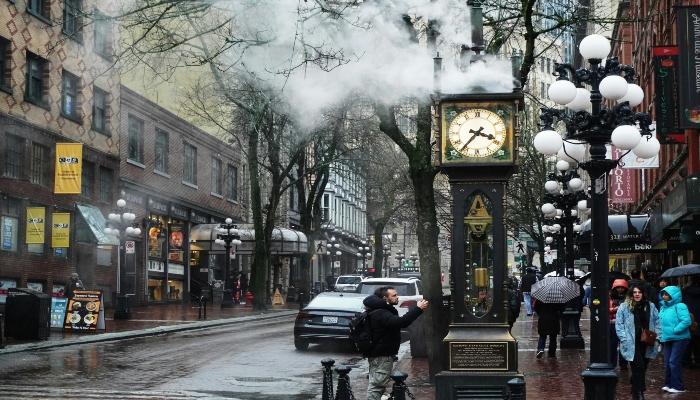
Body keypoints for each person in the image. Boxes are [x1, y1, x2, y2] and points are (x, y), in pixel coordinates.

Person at [363, 286, 428, 400]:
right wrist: (418, 309)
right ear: (385, 298)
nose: (397, 297)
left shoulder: (379, 310)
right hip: (382, 356)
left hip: (379, 355)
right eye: (394, 295)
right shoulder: (381, 313)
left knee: (379, 384)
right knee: (377, 386)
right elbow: (401, 322)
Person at [615, 283, 660, 400]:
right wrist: (624, 339)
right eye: (634, 292)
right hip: (631, 343)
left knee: (643, 367)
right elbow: (619, 324)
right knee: (638, 366)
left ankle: (635, 383)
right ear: (631, 294)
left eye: (639, 292)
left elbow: (657, 321)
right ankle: (638, 393)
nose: (637, 294)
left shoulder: (650, 306)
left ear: (643, 294)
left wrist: (658, 336)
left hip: (646, 342)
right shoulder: (624, 307)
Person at [659, 285, 692, 393]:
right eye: (663, 294)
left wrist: (676, 330)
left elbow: (686, 321)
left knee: (673, 361)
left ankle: (678, 386)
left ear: (674, 295)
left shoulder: (680, 305)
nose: (664, 296)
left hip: (680, 338)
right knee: (667, 362)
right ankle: (669, 384)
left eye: (667, 294)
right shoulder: (663, 307)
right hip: (667, 338)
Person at [609, 279, 629, 369]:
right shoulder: (610, 297)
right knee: (612, 344)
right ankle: (612, 363)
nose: (620, 289)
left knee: (624, 344)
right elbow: (607, 309)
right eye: (618, 287)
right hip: (613, 323)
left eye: (622, 288)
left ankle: (623, 363)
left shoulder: (628, 297)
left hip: (625, 324)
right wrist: (616, 308)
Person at [683, 276, 700, 367]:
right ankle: (698, 360)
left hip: (689, 316)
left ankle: (687, 361)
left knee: (688, 340)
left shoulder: (686, 291)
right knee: (698, 341)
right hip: (698, 318)